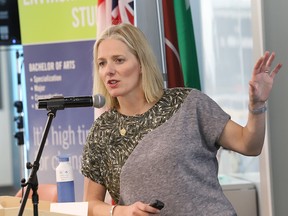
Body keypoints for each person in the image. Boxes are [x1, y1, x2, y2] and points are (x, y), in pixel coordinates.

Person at [81, 23, 282, 216]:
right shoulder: (103, 130)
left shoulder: (188, 103)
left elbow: (249, 145)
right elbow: (90, 205)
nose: (108, 70)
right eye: (102, 63)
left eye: (119, 60)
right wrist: (118, 211)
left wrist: (256, 106)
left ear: (141, 64)